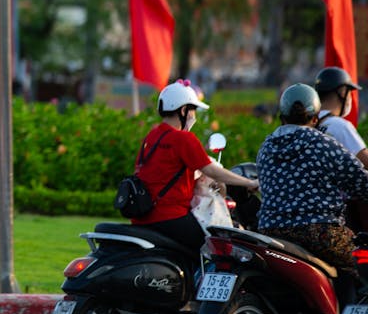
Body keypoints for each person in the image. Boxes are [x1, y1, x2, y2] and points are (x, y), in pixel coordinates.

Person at [131, 80, 259, 250]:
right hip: (171, 217)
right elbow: (213, 171)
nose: (194, 116)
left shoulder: (152, 136)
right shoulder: (183, 139)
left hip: (142, 217)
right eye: (193, 111)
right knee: (217, 246)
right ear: (183, 110)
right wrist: (249, 183)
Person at [256, 83, 368, 277]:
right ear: (315, 118)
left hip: (270, 233)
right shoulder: (321, 143)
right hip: (319, 233)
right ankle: (352, 306)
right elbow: (359, 181)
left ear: (282, 118)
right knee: (363, 257)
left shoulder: (266, 147)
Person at [314, 66, 368, 167]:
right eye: (349, 93)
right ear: (342, 92)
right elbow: (365, 160)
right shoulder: (340, 126)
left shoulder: (308, 124)